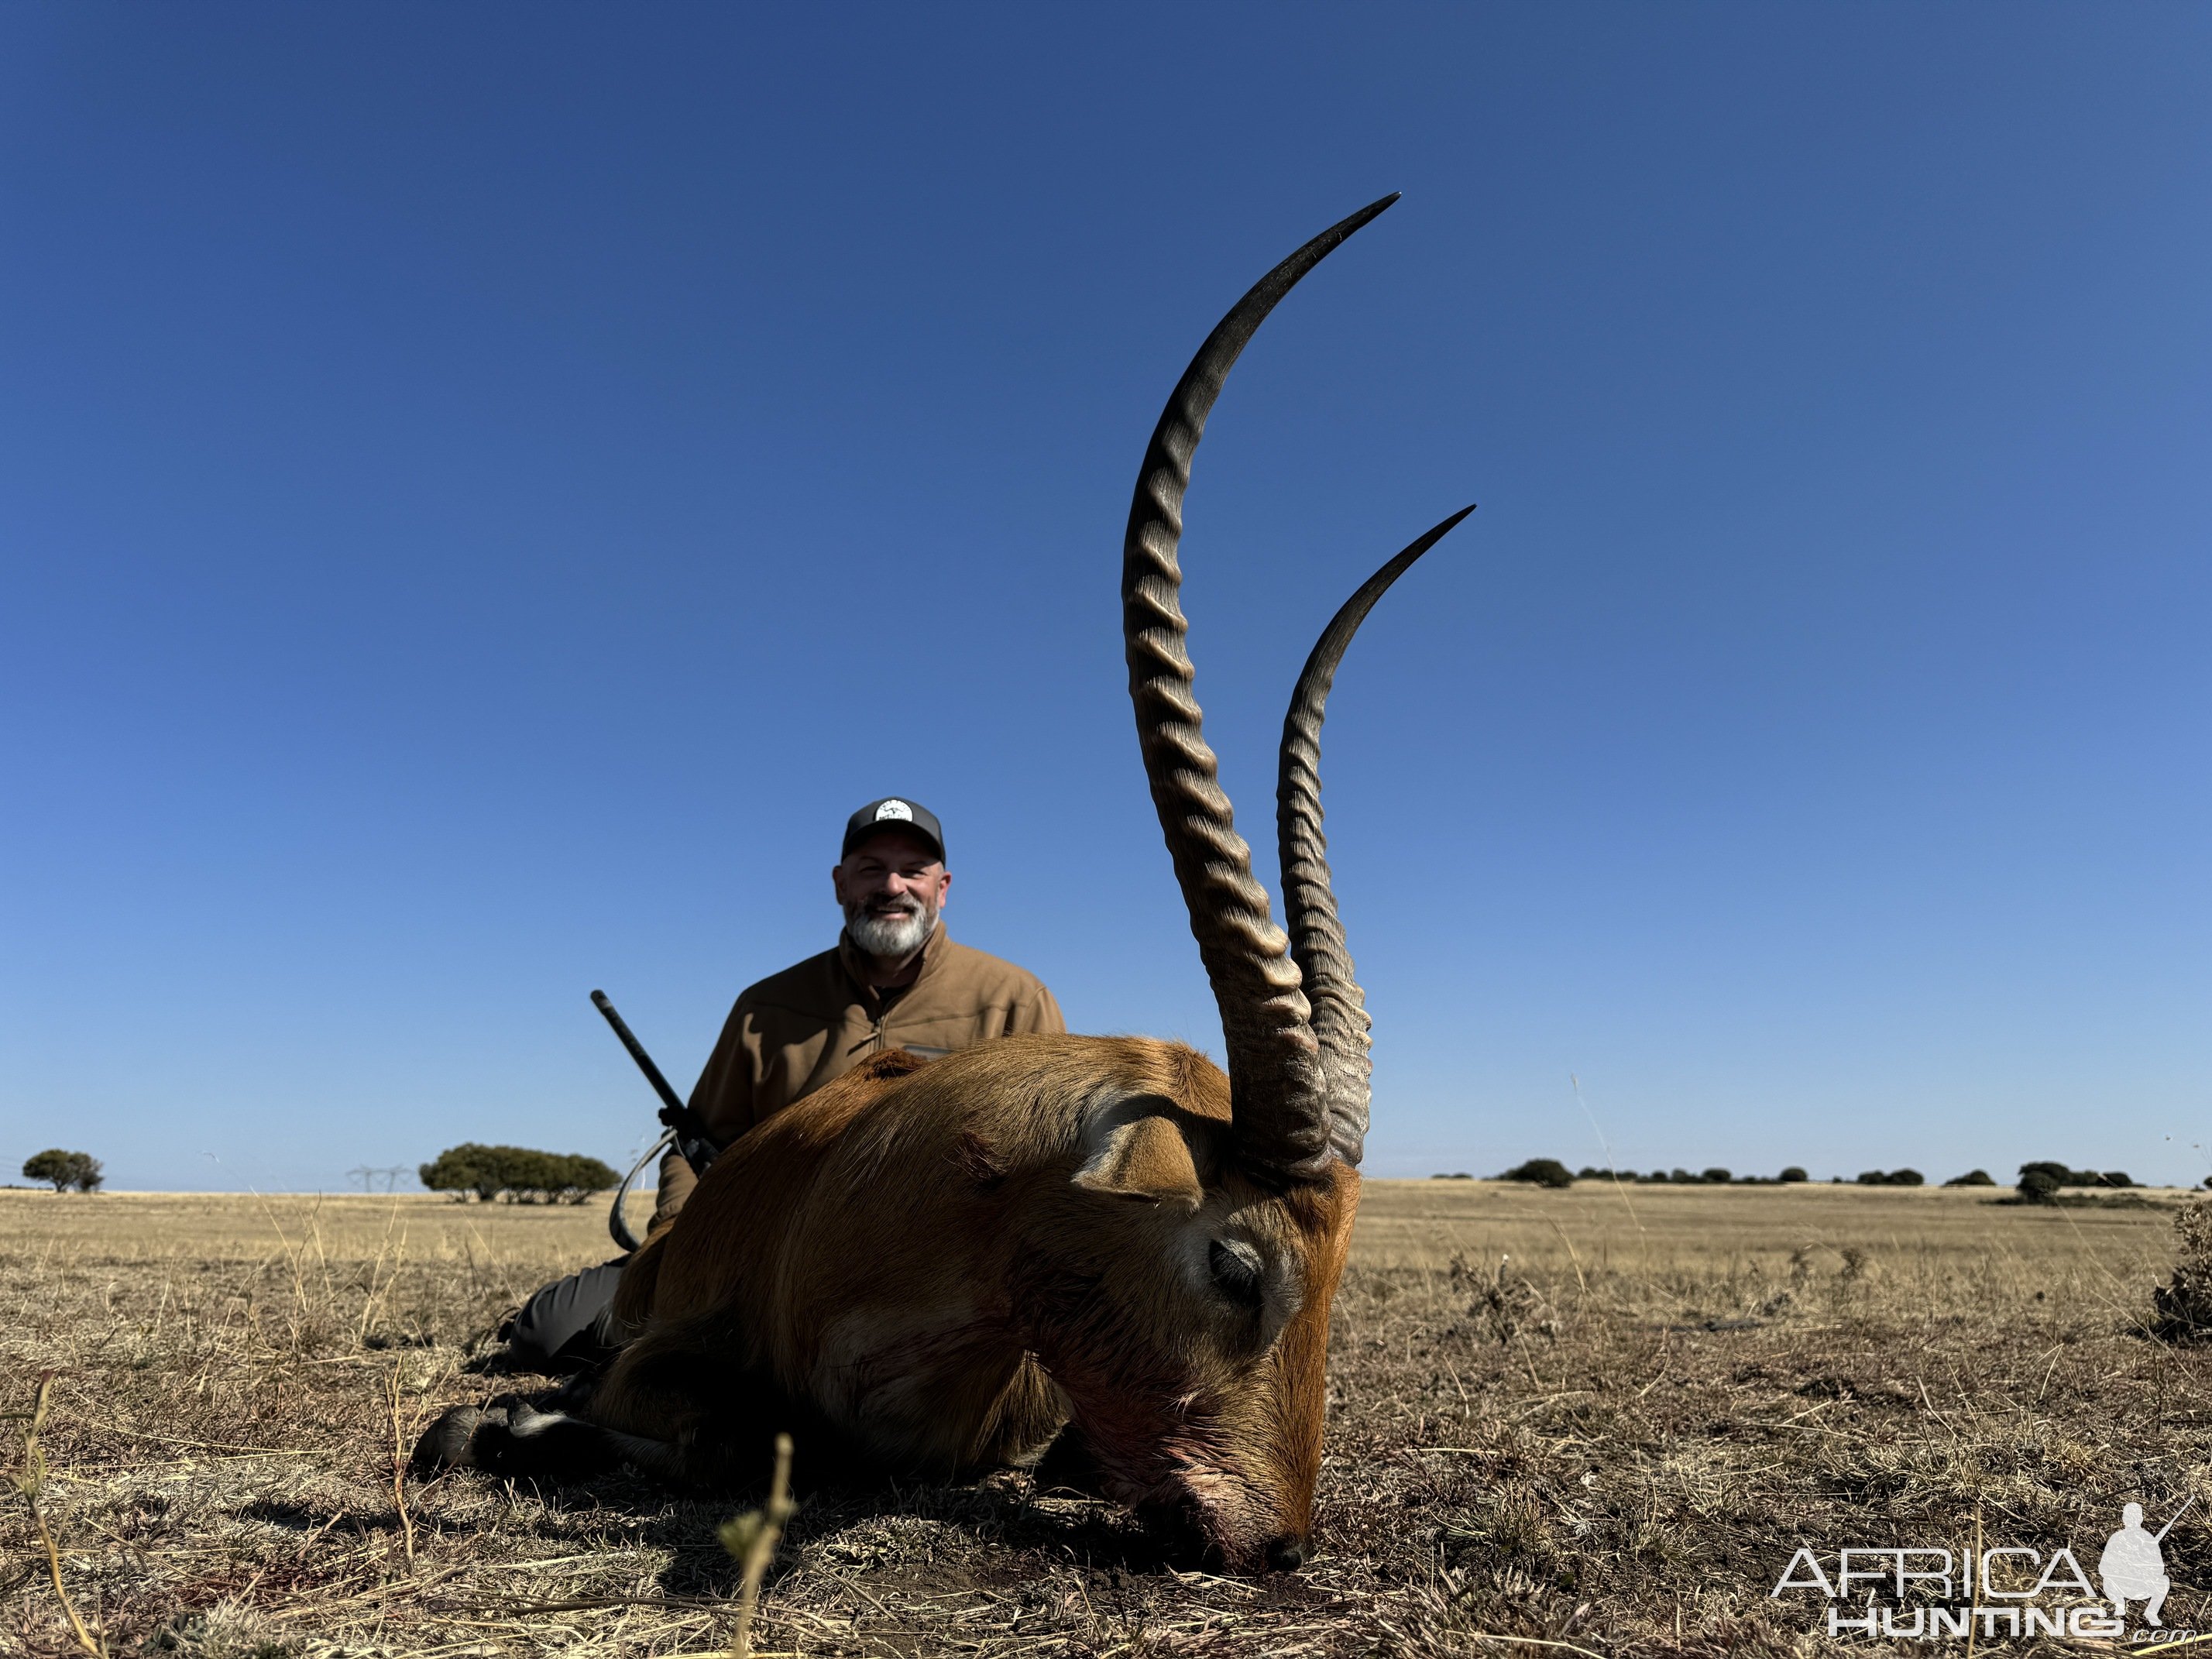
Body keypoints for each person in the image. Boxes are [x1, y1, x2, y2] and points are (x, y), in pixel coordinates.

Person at [500, 796, 1063, 1372]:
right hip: (762, 1251)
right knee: (550, 1335)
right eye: (871, 869)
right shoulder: (765, 1005)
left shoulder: (1016, 1001)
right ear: (840, 884)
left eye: (912, 871)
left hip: (936, 1266)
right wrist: (678, 1236)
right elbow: (698, 1144)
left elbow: (1051, 1169)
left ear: (942, 887)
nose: (892, 886)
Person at [2100, 1502, 2171, 1626]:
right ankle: (2119, 1606)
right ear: (2123, 1519)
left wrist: (2145, 1571)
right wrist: (2122, 1569)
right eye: (2129, 1518)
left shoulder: (2148, 1539)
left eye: (2135, 1518)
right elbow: (2103, 1568)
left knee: (2164, 1581)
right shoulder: (2116, 1538)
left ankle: (2151, 1612)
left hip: (2143, 1586)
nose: (2132, 1522)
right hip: (2120, 1586)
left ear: (2141, 1519)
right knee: (2107, 1580)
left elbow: (2160, 1568)